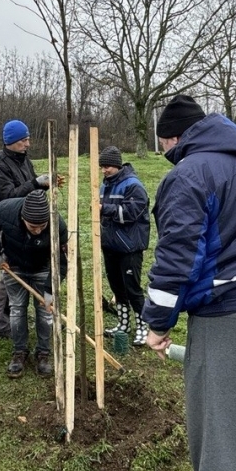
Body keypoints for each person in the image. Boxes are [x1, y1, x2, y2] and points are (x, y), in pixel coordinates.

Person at [142, 94, 236, 471]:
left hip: (230, 317)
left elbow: (177, 257)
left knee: (221, 437)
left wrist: (159, 323)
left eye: (163, 145)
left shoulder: (189, 175)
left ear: (172, 138)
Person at [0, 189, 67, 378]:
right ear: (22, 217)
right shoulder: (6, 210)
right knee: (17, 308)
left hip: (42, 268)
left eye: (42, 226)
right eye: (32, 226)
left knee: (45, 311)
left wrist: (50, 289)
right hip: (14, 266)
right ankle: (19, 351)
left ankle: (43, 353)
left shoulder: (57, 223)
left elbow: (61, 260)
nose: (38, 231)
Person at [0, 120, 52, 339]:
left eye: (28, 139)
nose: (28, 144)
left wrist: (42, 186)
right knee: (11, 271)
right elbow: (7, 198)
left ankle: (7, 316)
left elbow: (30, 191)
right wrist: (35, 183)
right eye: (23, 140)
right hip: (11, 224)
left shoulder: (24, 160)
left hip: (28, 222)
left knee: (21, 268)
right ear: (11, 141)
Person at [97, 146, 151, 346]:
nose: (105, 170)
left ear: (118, 165)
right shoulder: (104, 185)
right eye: (102, 166)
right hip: (110, 246)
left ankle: (143, 327)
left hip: (129, 246)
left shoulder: (133, 185)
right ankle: (123, 324)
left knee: (132, 288)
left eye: (108, 166)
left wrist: (105, 209)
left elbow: (131, 214)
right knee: (117, 287)